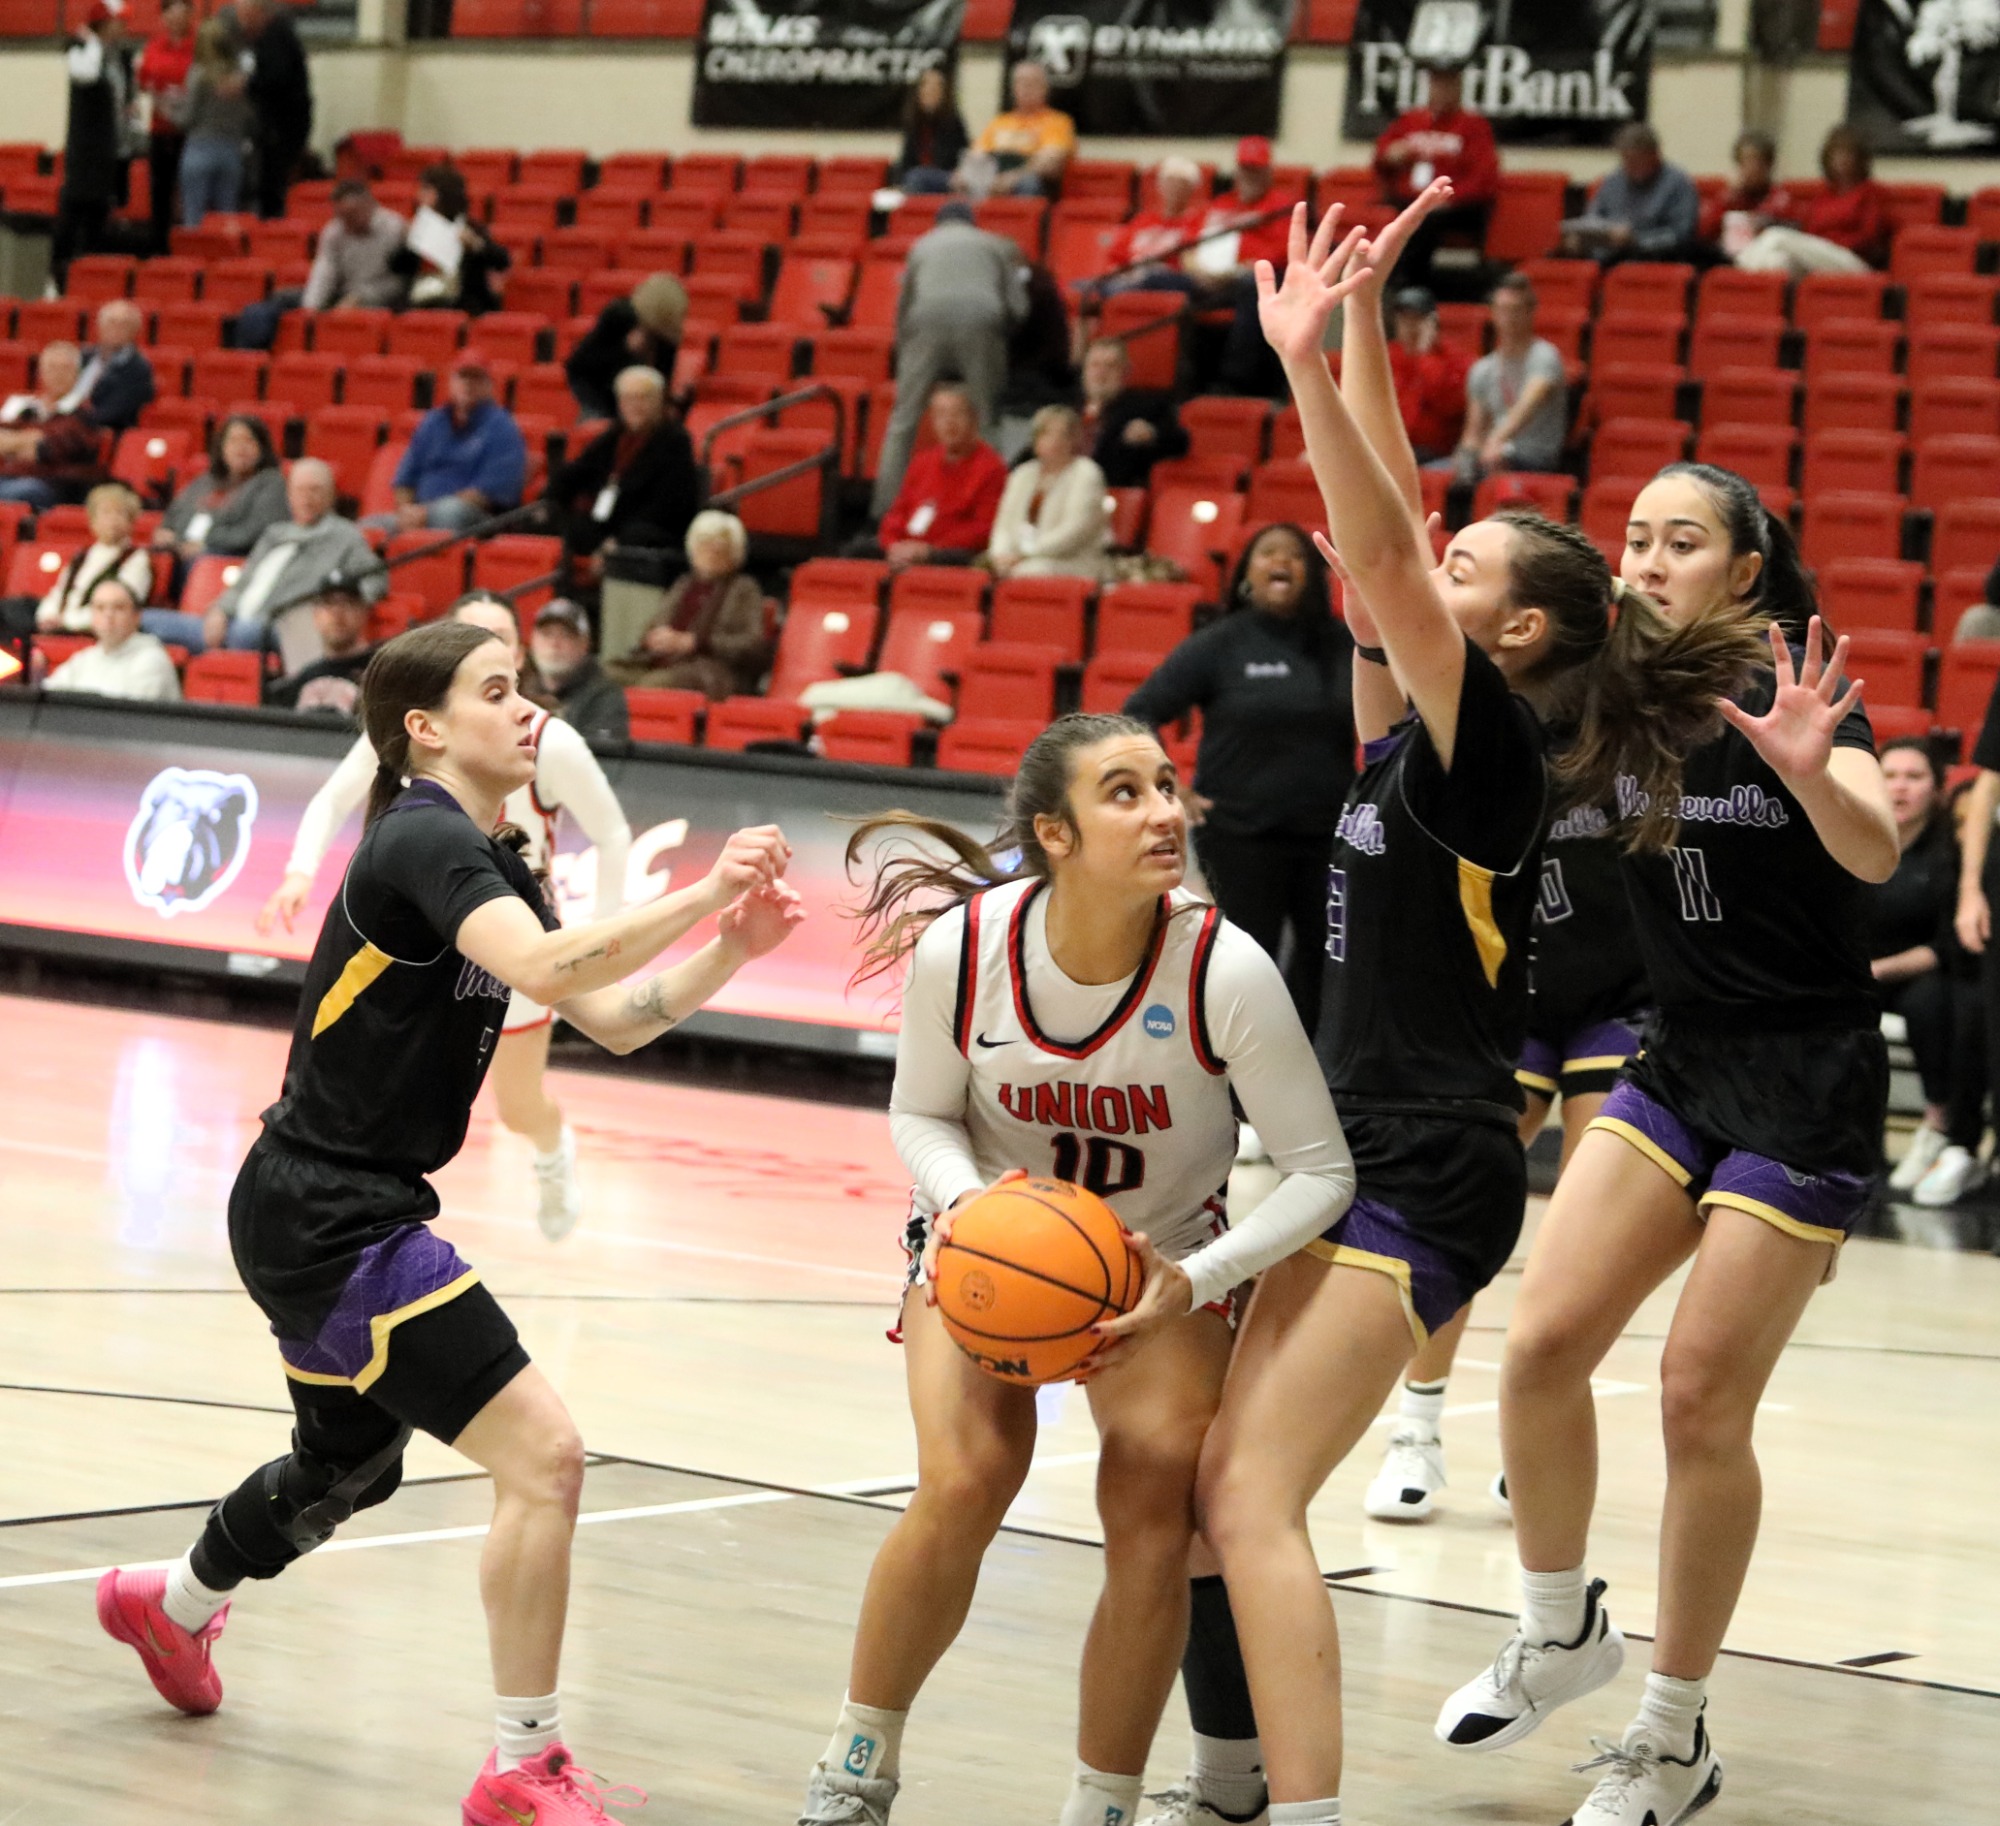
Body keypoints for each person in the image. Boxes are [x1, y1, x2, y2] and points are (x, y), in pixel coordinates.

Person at [1152, 186, 1771, 1826]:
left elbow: (1376, 547)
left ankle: (1303, 1807)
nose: (1432, 565)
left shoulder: (1486, 755)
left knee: (1257, 1496)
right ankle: (1230, 1785)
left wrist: (1295, 363)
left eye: (1469, 569)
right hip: (1338, 1148)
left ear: (1515, 631)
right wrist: (1360, 327)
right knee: (1219, 1493)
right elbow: (1394, 543)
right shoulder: (1398, 731)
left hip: (1424, 1158)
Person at [97, 616, 800, 1826]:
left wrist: (730, 948)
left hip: (315, 1202)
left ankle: (172, 1599)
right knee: (546, 1455)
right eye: (497, 689)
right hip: (335, 1210)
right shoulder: (422, 837)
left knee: (350, 1466)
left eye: (525, 686)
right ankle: (521, 1764)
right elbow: (552, 969)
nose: (528, 708)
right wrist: (705, 887)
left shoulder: (488, 854)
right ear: (425, 727)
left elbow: (612, 1016)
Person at [1436, 459, 1895, 1826]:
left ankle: (1674, 1730)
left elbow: (1870, 847)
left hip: (1803, 1080)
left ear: (1746, 569)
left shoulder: (1791, 687)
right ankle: (1561, 1624)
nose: (1645, 559)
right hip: (1676, 1060)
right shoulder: (1607, 691)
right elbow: (1457, 613)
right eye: (1634, 537)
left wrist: (1814, 773)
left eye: (1680, 540)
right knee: (1539, 1345)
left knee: (1701, 1397)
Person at [794, 714, 1355, 1826]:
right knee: (961, 1479)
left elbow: (1319, 1171)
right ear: (1052, 831)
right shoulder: (966, 947)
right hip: (988, 1244)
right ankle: (855, 1768)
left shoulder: (1221, 967)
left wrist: (1193, 1281)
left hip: (1159, 1265)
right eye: (1124, 792)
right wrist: (968, 1206)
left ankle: (1099, 1803)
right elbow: (917, 1111)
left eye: (1165, 786)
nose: (1161, 812)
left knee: (1149, 1511)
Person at [260, 592, 635, 1236]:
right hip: (429, 937)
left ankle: (550, 1154)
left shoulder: (550, 741)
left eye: (497, 642)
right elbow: (331, 801)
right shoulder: (416, 737)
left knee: (517, 1108)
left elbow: (613, 836)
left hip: (516, 935)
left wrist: (598, 942)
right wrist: (299, 873)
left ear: (514, 660)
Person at [1123, 522, 1355, 1039]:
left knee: (1328, 965)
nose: (1282, 562)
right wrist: (1169, 789)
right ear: (1246, 573)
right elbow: (1139, 713)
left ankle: (1306, 1080)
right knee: (1251, 963)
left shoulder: (1343, 643)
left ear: (1314, 575)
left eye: (1295, 556)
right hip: (1240, 835)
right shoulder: (1221, 643)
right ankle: (1232, 1083)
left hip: (1330, 837)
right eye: (1268, 553)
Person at [1873, 738, 1983, 1205]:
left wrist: (1877, 969)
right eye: (1890, 775)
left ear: (1937, 789)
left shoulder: (1950, 854)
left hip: (1918, 972)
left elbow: (1949, 944)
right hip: (1855, 973)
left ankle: (1937, 1124)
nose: (1899, 788)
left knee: (1932, 1002)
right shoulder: (1849, 836)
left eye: (1914, 777)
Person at [872, 201, 1025, 514]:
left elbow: (903, 310)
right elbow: (1019, 307)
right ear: (972, 222)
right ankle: (991, 508)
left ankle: (883, 510)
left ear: (938, 223)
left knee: (903, 419)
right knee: (986, 417)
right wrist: (999, 337)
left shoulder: (921, 245)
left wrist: (907, 355)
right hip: (982, 319)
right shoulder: (993, 245)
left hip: (925, 320)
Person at [145, 457, 382, 653]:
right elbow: (243, 581)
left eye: (315, 490)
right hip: (233, 622)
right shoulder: (275, 533)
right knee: (144, 621)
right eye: (300, 490)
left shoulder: (346, 536)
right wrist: (219, 611)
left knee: (246, 633)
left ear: (331, 496)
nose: (307, 498)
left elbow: (375, 580)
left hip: (284, 629)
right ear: (289, 496)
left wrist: (330, 614)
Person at [548, 365, 700, 583]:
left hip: (652, 528)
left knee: (633, 539)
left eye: (642, 398)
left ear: (658, 401)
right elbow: (578, 471)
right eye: (628, 399)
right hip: (607, 524)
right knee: (554, 526)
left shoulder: (674, 440)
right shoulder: (616, 434)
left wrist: (618, 539)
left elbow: (669, 505)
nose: (634, 406)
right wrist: (549, 500)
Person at [604, 509, 768, 699]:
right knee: (603, 674)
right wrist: (655, 638)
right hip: (659, 663)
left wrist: (693, 643)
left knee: (657, 684)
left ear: (734, 553)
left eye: (721, 546)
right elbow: (653, 627)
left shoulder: (744, 588)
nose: (712, 552)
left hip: (710, 670)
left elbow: (753, 645)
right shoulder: (684, 583)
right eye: (705, 544)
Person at [365, 351, 527, 536]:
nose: (468, 384)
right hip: (420, 514)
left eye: (476, 378)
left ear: (489, 386)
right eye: (462, 377)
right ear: (450, 382)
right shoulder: (433, 421)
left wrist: (426, 512)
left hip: (477, 518)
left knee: (450, 512)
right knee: (368, 527)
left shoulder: (502, 427)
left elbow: (484, 494)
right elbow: (404, 481)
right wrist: (407, 511)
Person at [1371, 60, 1499, 288]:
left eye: (1447, 84)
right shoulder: (1410, 121)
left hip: (1453, 207)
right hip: (1409, 199)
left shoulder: (1474, 126)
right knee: (1386, 216)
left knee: (1422, 222)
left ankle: (1406, 286)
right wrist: (1391, 155)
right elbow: (1382, 158)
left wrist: (1447, 199)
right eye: (1436, 83)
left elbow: (1484, 179)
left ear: (1458, 88)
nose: (1441, 90)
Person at [235, 182, 406, 352]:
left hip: (380, 299)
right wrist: (311, 307)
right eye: (340, 216)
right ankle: (250, 357)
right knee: (265, 307)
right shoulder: (335, 230)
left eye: (351, 215)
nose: (345, 222)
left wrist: (361, 298)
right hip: (339, 294)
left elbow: (400, 283)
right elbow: (324, 271)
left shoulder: (396, 229)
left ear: (369, 205)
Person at [861, 383, 1009, 570]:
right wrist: (893, 544)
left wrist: (930, 549)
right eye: (941, 415)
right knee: (857, 552)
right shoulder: (922, 461)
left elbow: (983, 529)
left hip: (949, 552)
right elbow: (898, 511)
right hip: (908, 548)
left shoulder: (992, 468)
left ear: (974, 419)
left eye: (957, 414)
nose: (949, 422)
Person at [1447, 273, 1567, 481]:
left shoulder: (1545, 356)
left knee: (1493, 462)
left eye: (1516, 310)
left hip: (1534, 457)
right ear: (1492, 313)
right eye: (1502, 310)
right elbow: (1473, 432)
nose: (1509, 318)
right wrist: (1464, 457)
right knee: (1434, 474)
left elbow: (1525, 409)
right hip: (1493, 454)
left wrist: (1495, 440)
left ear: (1530, 312)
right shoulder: (1482, 369)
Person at [54, 0, 136, 290]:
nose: (124, 28)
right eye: (118, 22)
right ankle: (58, 278)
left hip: (112, 151)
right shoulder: (80, 49)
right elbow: (86, 74)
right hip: (86, 151)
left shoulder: (122, 57)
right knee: (74, 214)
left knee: (101, 218)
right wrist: (93, 43)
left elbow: (124, 96)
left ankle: (93, 279)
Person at [1736, 124, 1891, 277]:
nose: (1841, 160)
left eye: (1847, 154)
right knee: (1776, 262)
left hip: (1854, 261)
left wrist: (1830, 243)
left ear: (1859, 158)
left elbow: (1869, 238)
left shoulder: (1872, 193)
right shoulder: (1823, 195)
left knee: (1776, 236)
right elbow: (1809, 231)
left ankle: (1738, 268)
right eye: (1836, 154)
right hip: (1820, 257)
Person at [1207, 138, 1296, 398]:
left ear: (1269, 172)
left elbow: (1284, 250)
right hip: (1215, 279)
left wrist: (1248, 267)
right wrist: (1198, 268)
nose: (1250, 176)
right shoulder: (1221, 203)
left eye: (1256, 170)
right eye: (1245, 169)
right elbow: (1196, 241)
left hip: (1262, 279)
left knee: (1252, 286)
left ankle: (1235, 380)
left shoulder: (1281, 205)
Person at [986, 405, 1108, 582]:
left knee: (1029, 572)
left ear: (1074, 439)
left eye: (1062, 435)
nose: (1054, 441)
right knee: (985, 571)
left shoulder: (1086, 473)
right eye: (1046, 434)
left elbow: (1074, 532)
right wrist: (1000, 555)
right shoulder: (1022, 474)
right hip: (1018, 560)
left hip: (1073, 562)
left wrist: (1025, 554)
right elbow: (1003, 525)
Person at [20, 482, 154, 637]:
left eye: (119, 514)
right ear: (92, 521)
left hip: (91, 629)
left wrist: (65, 621)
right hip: (60, 621)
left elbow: (121, 606)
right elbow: (59, 592)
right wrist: (48, 616)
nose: (112, 521)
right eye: (106, 513)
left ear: (131, 521)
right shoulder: (83, 555)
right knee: (13, 608)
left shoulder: (136, 559)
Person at [154, 413, 288, 561]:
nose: (240, 448)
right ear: (222, 447)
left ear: (262, 448)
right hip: (185, 550)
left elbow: (252, 533)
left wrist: (203, 543)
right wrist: (166, 531)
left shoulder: (271, 483)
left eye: (248, 440)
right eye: (233, 441)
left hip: (231, 557)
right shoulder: (205, 481)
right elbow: (174, 514)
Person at [1561, 123, 1700, 265]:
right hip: (1608, 257)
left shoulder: (1678, 183)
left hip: (1654, 260)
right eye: (1626, 160)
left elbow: (1682, 234)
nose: (1630, 166)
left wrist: (1634, 240)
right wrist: (1581, 238)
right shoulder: (1613, 181)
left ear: (1655, 155)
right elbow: (1593, 219)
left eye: (1637, 160)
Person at [390, 163, 513, 315]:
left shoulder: (469, 227)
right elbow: (396, 267)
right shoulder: (419, 227)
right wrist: (407, 241)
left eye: (426, 190)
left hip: (459, 302)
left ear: (444, 194)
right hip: (420, 299)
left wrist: (475, 245)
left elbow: (502, 260)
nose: (419, 196)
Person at [565, 274, 686, 422]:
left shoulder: (666, 339)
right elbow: (580, 367)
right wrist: (627, 352)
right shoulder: (618, 316)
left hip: (638, 405)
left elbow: (661, 380)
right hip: (598, 395)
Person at [0, 343, 103, 511]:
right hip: (8, 476)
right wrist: (23, 442)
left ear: (77, 374)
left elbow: (42, 449)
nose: (58, 374)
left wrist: (12, 443)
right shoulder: (23, 406)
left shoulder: (83, 413)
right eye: (52, 368)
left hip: (52, 485)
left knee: (23, 491)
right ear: (40, 372)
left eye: (65, 368)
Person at [44, 576, 180, 701]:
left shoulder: (151, 660)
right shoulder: (84, 659)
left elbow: (131, 718)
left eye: (118, 608)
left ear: (136, 617)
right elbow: (47, 696)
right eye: (100, 608)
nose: (108, 615)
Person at [1078, 337, 1188, 492]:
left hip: (1111, 488)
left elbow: (1180, 441)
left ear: (1126, 372)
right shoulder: (1064, 405)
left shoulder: (1147, 408)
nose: (1101, 373)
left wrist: (1151, 434)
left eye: (1111, 366)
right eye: (1095, 365)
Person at [236, 0, 311, 219]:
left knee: (273, 186)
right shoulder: (271, 37)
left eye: (244, 16)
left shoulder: (275, 38)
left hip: (280, 127)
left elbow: (276, 79)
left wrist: (246, 85)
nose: (242, 23)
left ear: (258, 13)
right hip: (279, 126)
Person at [176, 17, 253, 227]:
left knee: (194, 220)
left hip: (200, 148)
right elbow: (248, 115)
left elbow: (188, 117)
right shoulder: (240, 76)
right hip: (231, 151)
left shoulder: (198, 73)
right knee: (226, 222)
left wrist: (166, 106)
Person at [962, 58, 1074, 198]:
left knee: (1029, 183)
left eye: (1032, 83)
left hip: (1030, 181)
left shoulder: (1058, 122)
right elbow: (977, 155)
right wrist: (965, 174)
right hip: (992, 179)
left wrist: (1012, 178)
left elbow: (1049, 163)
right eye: (1020, 83)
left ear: (1045, 89)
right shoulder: (999, 122)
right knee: (941, 181)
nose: (1025, 88)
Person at [135, 0, 194, 251]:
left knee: (188, 194)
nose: (176, 19)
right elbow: (144, 81)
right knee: (159, 193)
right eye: (171, 13)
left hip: (190, 132)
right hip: (160, 130)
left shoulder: (199, 46)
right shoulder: (154, 46)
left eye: (182, 13)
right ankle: (159, 248)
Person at [1385, 285, 1468, 463]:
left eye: (1416, 319)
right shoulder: (1386, 357)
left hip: (1434, 453)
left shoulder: (1455, 359)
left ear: (1432, 323)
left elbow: (1448, 405)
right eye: (1403, 320)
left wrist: (1425, 355)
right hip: (1389, 449)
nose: (1409, 327)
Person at [1099, 158, 1207, 294]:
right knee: (1081, 287)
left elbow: (1190, 264)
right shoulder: (1142, 220)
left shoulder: (1198, 222)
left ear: (1192, 189)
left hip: (1165, 281)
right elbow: (1117, 257)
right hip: (1130, 277)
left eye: (1181, 183)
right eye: (1170, 181)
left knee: (1154, 278)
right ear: (1160, 186)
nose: (1174, 188)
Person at [264, 585, 375, 715]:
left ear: (363, 612)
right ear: (316, 615)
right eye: (329, 604)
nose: (337, 613)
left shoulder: (378, 671)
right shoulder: (304, 678)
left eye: (348, 603)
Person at [531, 599, 630, 743]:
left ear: (584, 644)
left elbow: (601, 757)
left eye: (565, 635)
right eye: (547, 634)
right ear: (533, 640)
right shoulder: (518, 688)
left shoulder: (604, 696)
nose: (554, 644)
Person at [1700, 128, 1790, 261]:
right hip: (1727, 256)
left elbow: (1779, 229)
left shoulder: (1780, 198)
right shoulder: (1729, 197)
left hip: (1762, 256)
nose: (1749, 170)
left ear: (1768, 166)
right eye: (1744, 162)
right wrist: (1730, 200)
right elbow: (1704, 232)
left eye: (1755, 163)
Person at [72, 300, 156, 434]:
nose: (115, 329)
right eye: (110, 322)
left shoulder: (138, 369)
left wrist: (70, 420)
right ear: (99, 327)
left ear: (135, 331)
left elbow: (113, 413)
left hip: (100, 434)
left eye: (123, 325)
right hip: (67, 426)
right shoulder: (83, 357)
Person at [892, 66, 969, 194]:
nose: (930, 92)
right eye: (926, 87)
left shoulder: (953, 122)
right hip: (918, 177)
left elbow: (963, 155)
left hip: (945, 177)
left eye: (935, 88)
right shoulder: (913, 122)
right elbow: (906, 160)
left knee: (916, 177)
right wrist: (896, 183)